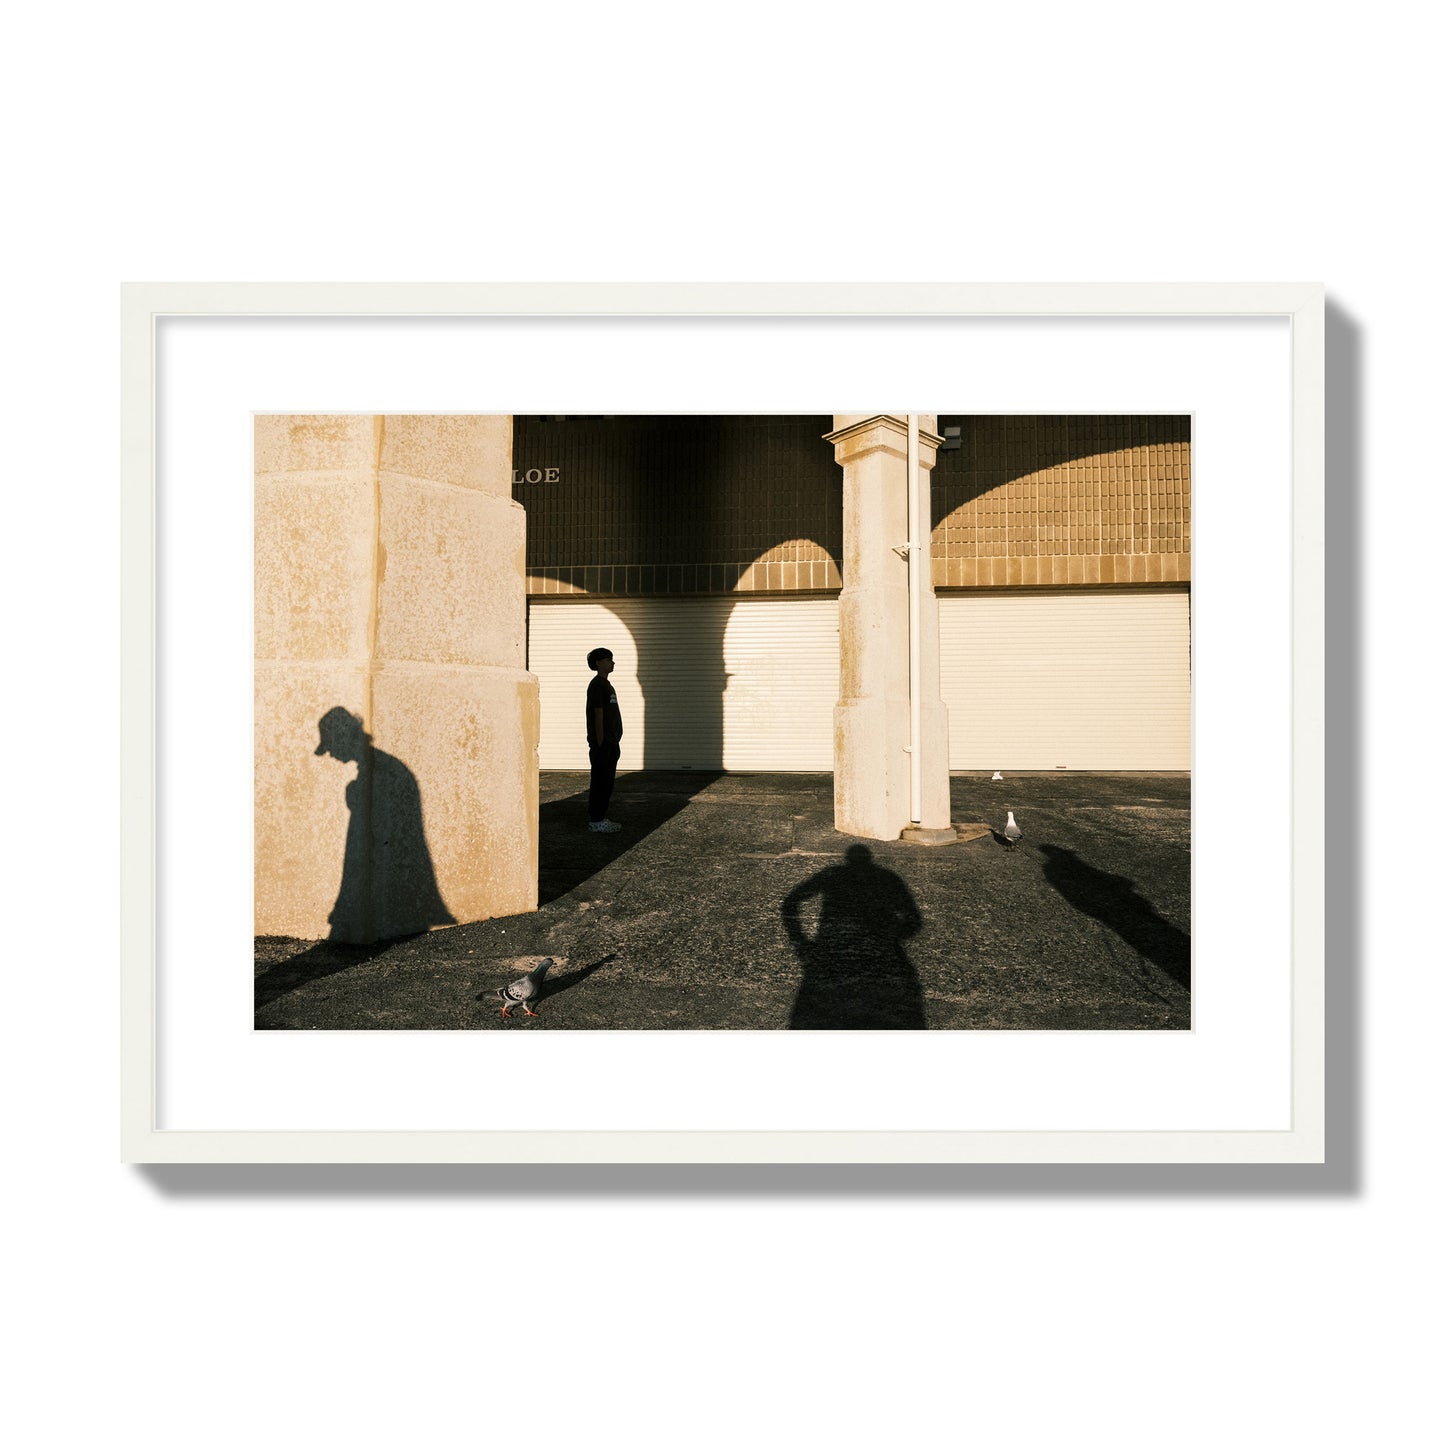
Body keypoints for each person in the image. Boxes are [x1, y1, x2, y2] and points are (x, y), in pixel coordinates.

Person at [584, 647, 624, 832]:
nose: (612, 663)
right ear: (598, 663)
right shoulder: (597, 685)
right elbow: (598, 715)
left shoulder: (606, 685)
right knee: (601, 782)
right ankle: (597, 821)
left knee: (606, 783)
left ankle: (599, 818)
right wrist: (601, 743)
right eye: (608, 660)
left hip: (611, 743)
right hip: (604, 745)